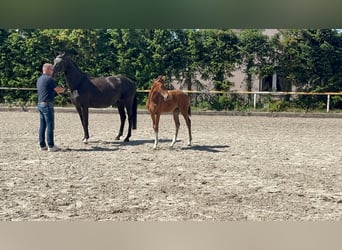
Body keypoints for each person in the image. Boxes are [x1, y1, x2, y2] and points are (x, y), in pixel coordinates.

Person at [36, 63, 65, 152]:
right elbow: (57, 89)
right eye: (52, 69)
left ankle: (42, 145)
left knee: (42, 125)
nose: (53, 72)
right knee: (50, 125)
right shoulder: (49, 79)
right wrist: (65, 89)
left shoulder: (39, 79)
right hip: (47, 104)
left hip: (40, 104)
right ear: (47, 69)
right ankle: (51, 145)